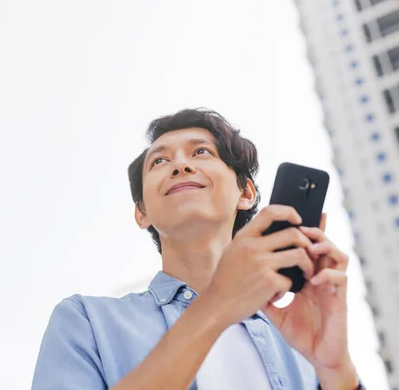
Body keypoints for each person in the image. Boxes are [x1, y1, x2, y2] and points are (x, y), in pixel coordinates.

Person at [31, 108, 363, 389]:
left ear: (245, 192)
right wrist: (217, 305)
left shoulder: (297, 341)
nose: (180, 165)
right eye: (159, 161)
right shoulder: (87, 321)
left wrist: (336, 370)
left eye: (201, 152)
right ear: (142, 212)